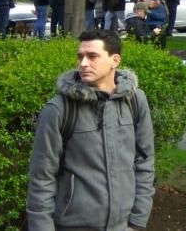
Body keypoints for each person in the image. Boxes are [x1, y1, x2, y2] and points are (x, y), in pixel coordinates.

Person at [26, 29, 155, 231]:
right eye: (80, 56)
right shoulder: (59, 109)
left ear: (115, 60)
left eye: (92, 56)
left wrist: (138, 221)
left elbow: (144, 161)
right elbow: (41, 177)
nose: (83, 63)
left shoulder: (135, 101)